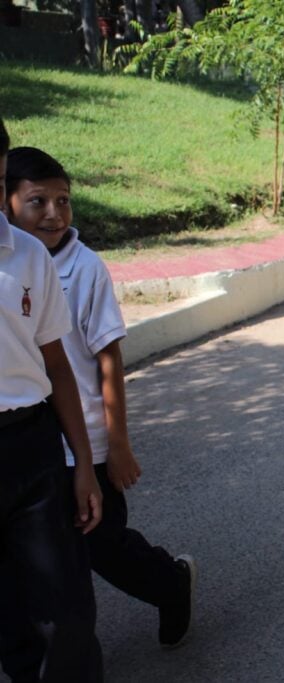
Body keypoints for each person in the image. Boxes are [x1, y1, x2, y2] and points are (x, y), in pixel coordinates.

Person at [3, 146, 199, 657]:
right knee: (56, 558)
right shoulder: (14, 266)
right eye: (38, 202)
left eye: (63, 201)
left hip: (86, 437)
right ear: (7, 204)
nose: (54, 214)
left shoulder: (83, 267)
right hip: (43, 441)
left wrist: (117, 443)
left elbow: (107, 359)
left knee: (102, 543)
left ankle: (169, 582)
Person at [0, 117, 104, 682]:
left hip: (32, 445)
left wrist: (84, 464)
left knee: (67, 614)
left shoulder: (27, 255)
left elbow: (58, 365)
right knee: (11, 620)